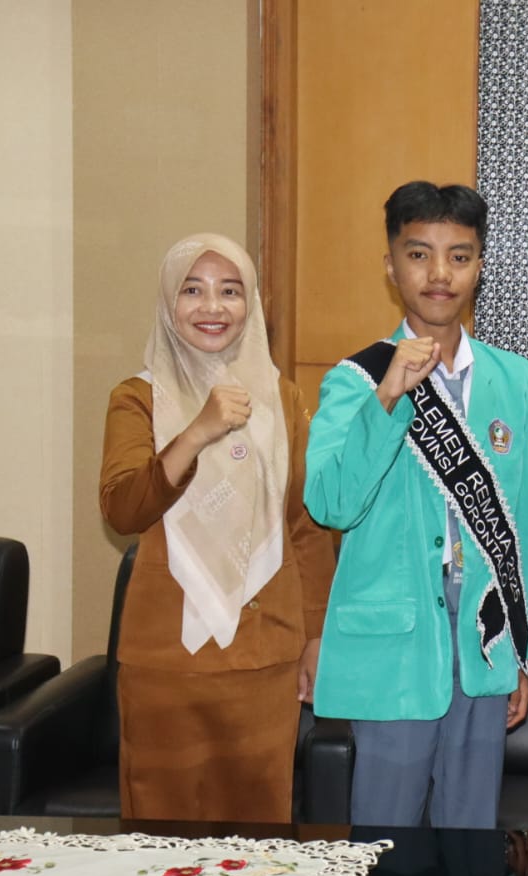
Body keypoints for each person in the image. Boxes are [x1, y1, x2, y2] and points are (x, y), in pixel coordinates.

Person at [305, 181, 528, 828]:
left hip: (484, 633)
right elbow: (330, 503)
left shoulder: (512, 378)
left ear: (479, 266)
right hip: (395, 637)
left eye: (459, 256)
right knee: (385, 838)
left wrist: (523, 651)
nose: (440, 273)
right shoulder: (355, 379)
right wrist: (387, 398)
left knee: (470, 833)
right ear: (391, 266)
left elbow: (522, 523)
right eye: (419, 254)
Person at [99, 232, 335, 822]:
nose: (212, 307)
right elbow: (123, 510)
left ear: (250, 304)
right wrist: (197, 432)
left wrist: (315, 636)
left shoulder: (283, 399)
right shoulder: (136, 398)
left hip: (265, 654)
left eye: (230, 291)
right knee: (159, 838)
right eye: (193, 290)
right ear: (168, 302)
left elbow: (304, 527)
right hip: (165, 659)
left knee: (257, 843)